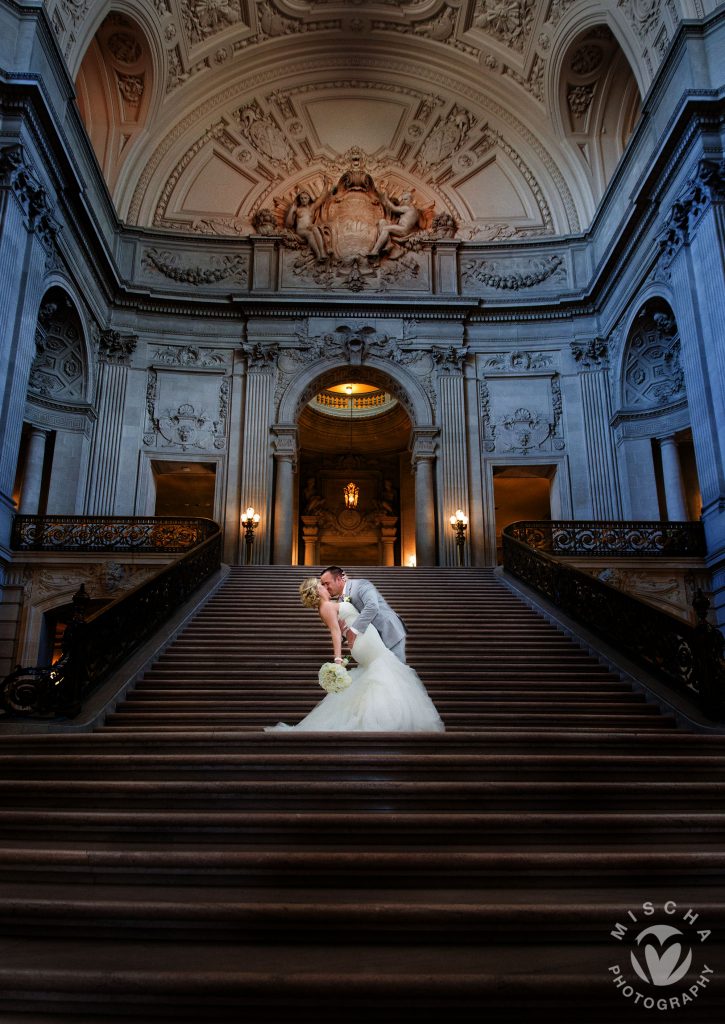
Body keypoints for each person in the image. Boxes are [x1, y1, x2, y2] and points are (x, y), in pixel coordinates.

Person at [264, 577, 444, 733]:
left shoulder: (330, 604)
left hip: (366, 637)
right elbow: (335, 632)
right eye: (321, 585)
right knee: (383, 668)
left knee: (379, 670)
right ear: (316, 591)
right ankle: (385, 717)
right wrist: (337, 658)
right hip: (364, 643)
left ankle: (379, 714)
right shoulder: (325, 607)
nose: (325, 587)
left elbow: (343, 625)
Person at [320, 565, 406, 662]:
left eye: (327, 583)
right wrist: (342, 633)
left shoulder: (361, 585)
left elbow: (372, 606)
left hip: (387, 631)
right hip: (372, 642)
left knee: (396, 668)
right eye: (323, 585)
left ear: (339, 579)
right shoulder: (340, 602)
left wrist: (353, 631)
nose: (325, 588)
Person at [368, 191, 420, 258]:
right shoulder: (416, 211)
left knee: (385, 228)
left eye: (406, 199)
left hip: (403, 230)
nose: (404, 201)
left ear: (411, 199)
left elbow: (393, 208)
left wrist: (386, 197)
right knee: (382, 221)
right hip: (403, 228)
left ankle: (375, 251)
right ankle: (388, 244)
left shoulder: (408, 208)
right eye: (403, 199)